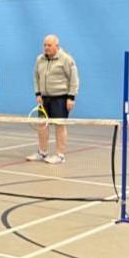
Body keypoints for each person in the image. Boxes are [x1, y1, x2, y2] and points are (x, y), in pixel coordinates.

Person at [27, 34, 79, 164]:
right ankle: (42, 152)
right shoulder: (40, 59)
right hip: (44, 98)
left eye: (49, 45)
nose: (46, 47)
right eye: (44, 45)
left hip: (60, 98)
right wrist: (38, 94)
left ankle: (60, 155)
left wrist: (71, 97)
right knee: (42, 125)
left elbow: (74, 79)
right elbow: (36, 77)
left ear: (57, 46)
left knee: (59, 126)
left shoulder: (66, 59)